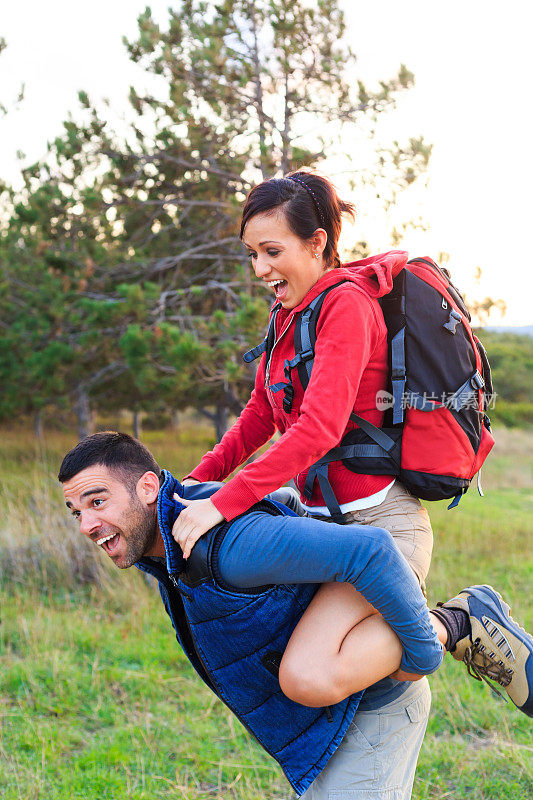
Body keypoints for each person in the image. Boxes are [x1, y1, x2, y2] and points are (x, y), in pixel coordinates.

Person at [168, 170, 516, 706]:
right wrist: (198, 480)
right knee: (292, 657)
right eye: (251, 254)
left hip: (380, 529)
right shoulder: (290, 314)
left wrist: (224, 503)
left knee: (309, 678)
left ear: (317, 242)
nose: (260, 269)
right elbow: (262, 413)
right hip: (326, 528)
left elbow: (319, 429)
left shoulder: (346, 306)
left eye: (271, 251)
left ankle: (456, 622)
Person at [59, 432, 532, 800]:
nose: (86, 525)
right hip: (325, 726)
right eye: (75, 511)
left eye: (97, 501)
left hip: (369, 711)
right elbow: (282, 505)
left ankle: (458, 621)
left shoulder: (228, 548)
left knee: (303, 675)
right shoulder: (169, 545)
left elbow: (371, 551)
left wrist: (432, 645)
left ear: (146, 488)